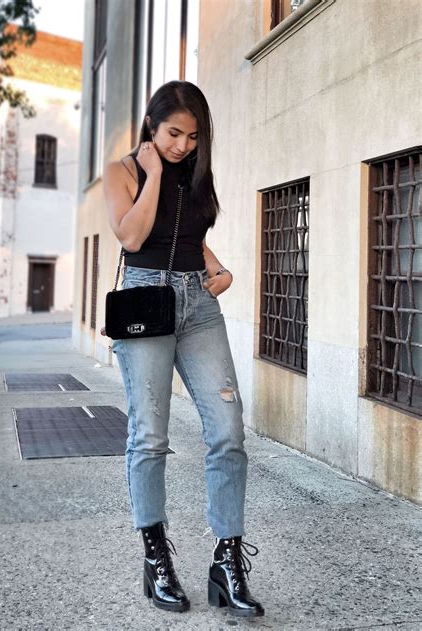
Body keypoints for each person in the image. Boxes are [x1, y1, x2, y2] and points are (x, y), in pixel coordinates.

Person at [102, 80, 264, 619]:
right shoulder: (123, 171)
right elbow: (132, 235)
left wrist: (215, 268)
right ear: (152, 126)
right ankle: (156, 561)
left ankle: (227, 561)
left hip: (198, 303)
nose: (182, 146)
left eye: (193, 137)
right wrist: (152, 175)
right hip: (146, 300)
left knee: (228, 431)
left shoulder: (195, 169)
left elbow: (189, 231)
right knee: (149, 436)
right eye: (174, 134)